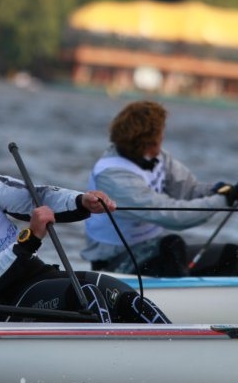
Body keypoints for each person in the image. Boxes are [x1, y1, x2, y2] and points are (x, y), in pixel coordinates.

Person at [0, 138, 170, 324]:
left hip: (36, 277)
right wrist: (29, 239)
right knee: (87, 297)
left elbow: (37, 197)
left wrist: (81, 201)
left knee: (121, 296)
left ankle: (174, 355)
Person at [81, 100, 238, 277]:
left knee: (231, 255)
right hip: (113, 265)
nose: (163, 136)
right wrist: (223, 200)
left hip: (153, 254)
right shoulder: (112, 175)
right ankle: (182, 292)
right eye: (160, 132)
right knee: (171, 245)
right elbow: (173, 216)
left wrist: (222, 191)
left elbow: (189, 192)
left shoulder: (159, 158)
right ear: (149, 140)